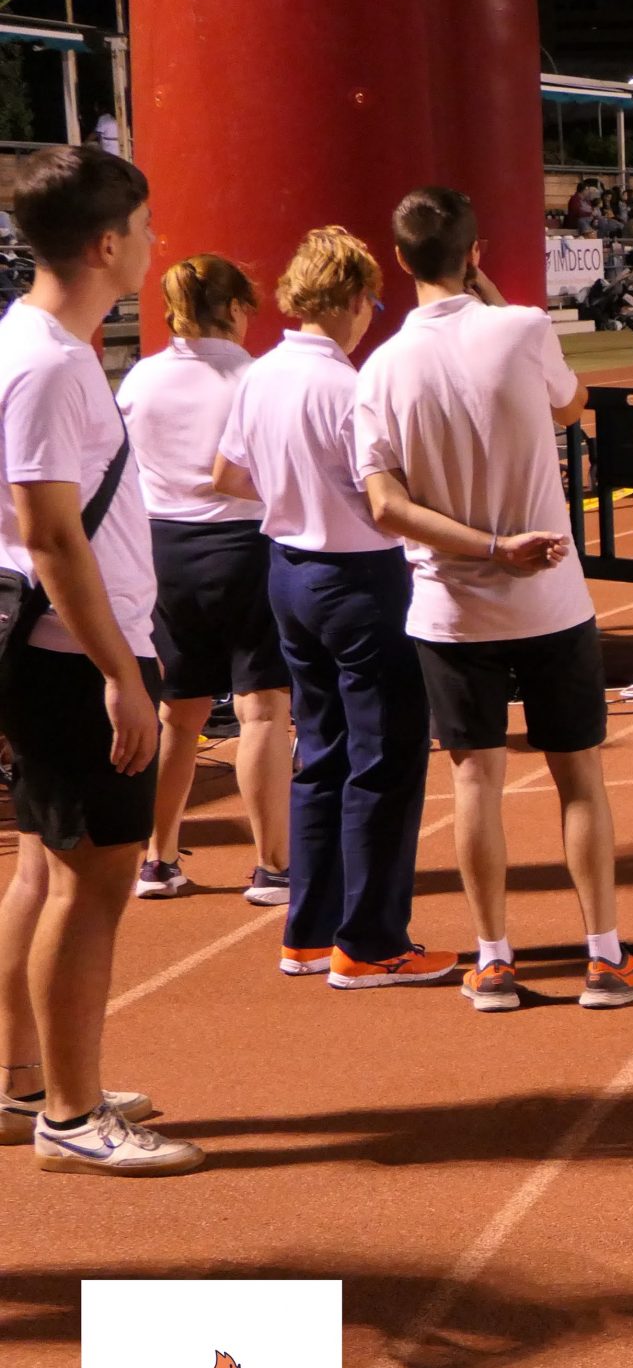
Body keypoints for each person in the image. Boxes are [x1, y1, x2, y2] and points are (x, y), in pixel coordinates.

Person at [353, 185, 633, 1013]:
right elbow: (572, 405)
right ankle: (604, 956)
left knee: (475, 784)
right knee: (580, 777)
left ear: (400, 259)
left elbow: (385, 506)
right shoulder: (523, 328)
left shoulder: (381, 367)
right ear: (477, 253)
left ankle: (494, 960)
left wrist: (485, 549)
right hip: (550, 599)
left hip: (450, 608)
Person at [0, 146, 197, 1174]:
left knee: (44, 869)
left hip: (62, 646)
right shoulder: (46, 362)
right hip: (75, 652)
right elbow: (49, 532)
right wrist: (121, 672)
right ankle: (70, 1117)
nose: (156, 244)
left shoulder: (36, 343)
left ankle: (29, 1082)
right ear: (108, 243)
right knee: (91, 887)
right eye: (147, 227)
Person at [211, 227, 449, 988]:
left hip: (288, 571)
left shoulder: (260, 374)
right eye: (370, 301)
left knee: (321, 754)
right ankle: (371, 941)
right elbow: (387, 500)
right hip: (359, 580)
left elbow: (226, 475)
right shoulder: (349, 387)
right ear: (350, 299)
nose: (371, 315)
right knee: (385, 757)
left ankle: (310, 933)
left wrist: (296, 492)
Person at [119, 255, 292, 905]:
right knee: (262, 708)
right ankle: (272, 867)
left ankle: (157, 859)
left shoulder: (142, 378)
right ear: (238, 308)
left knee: (179, 711)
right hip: (245, 545)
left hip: (164, 549)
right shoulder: (256, 377)